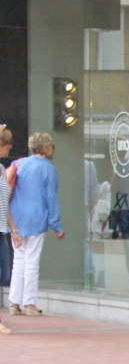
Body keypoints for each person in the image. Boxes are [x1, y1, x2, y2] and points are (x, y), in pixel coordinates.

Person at [9, 132, 63, 316]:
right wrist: (56, 225)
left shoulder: (18, 163)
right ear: (45, 148)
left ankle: (14, 302)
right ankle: (29, 303)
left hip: (16, 219)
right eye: (52, 146)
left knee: (18, 261)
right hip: (36, 219)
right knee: (31, 261)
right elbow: (51, 198)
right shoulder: (48, 169)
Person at [0, 125, 13, 332]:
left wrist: (13, 228)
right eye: (8, 144)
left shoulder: (2, 169)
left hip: (2, 229)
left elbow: (5, 202)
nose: (10, 148)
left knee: (4, 272)